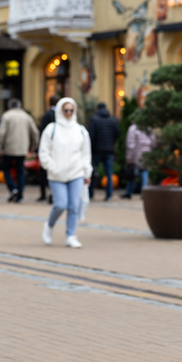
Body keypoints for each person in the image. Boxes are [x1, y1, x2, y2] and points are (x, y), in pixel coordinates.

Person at [38, 97, 92, 248]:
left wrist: (87, 172)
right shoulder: (51, 129)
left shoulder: (81, 130)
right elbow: (44, 152)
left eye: (71, 110)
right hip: (56, 175)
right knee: (60, 204)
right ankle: (49, 225)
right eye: (65, 110)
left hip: (76, 173)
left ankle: (71, 235)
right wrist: (51, 167)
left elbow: (86, 154)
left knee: (74, 205)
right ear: (60, 110)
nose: (68, 113)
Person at [0, 98, 39, 203]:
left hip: (9, 148)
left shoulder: (7, 116)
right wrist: (33, 147)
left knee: (6, 169)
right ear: (19, 106)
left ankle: (13, 188)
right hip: (22, 148)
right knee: (20, 171)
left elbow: (1, 133)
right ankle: (20, 194)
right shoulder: (26, 117)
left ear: (10, 106)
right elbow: (35, 132)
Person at [87, 102, 120, 201]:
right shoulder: (112, 120)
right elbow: (118, 133)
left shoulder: (94, 119)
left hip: (97, 150)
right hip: (109, 150)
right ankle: (109, 195)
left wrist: (91, 149)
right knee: (109, 173)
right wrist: (111, 142)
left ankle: (90, 193)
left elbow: (91, 136)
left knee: (92, 171)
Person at [123, 121, 155, 199]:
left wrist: (129, 157)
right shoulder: (148, 128)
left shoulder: (133, 128)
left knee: (132, 171)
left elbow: (130, 144)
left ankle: (128, 192)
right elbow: (153, 141)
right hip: (147, 152)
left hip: (136, 152)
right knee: (144, 171)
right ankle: (144, 193)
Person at [36, 95, 60, 203]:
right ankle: (53, 193)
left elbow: (43, 132)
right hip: (58, 147)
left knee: (44, 171)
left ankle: (44, 194)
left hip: (49, 147)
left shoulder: (48, 115)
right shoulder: (60, 115)